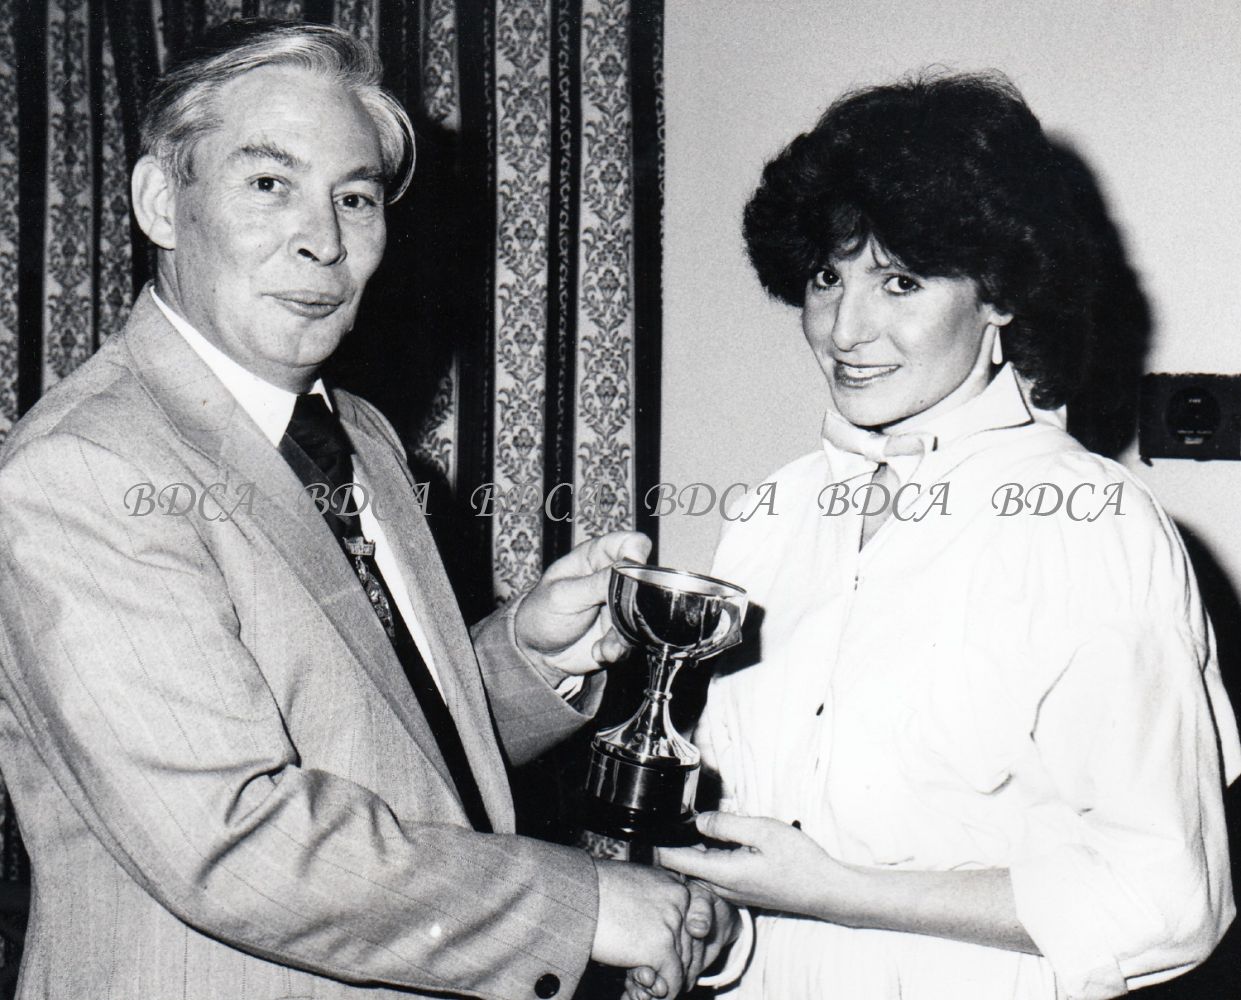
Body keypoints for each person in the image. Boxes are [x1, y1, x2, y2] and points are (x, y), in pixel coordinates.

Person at [0, 20, 733, 1000]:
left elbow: (375, 738)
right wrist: (586, 906)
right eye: (270, 183)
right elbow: (232, 838)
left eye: (355, 197)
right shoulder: (85, 468)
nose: (324, 240)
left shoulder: (358, 434)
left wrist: (526, 656)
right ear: (160, 203)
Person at [658, 72, 1241, 999]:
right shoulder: (772, 512)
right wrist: (706, 930)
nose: (846, 330)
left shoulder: (1090, 527)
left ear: (999, 295)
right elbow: (751, 836)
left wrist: (841, 894)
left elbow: (1165, 898)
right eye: (827, 277)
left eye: (900, 282)